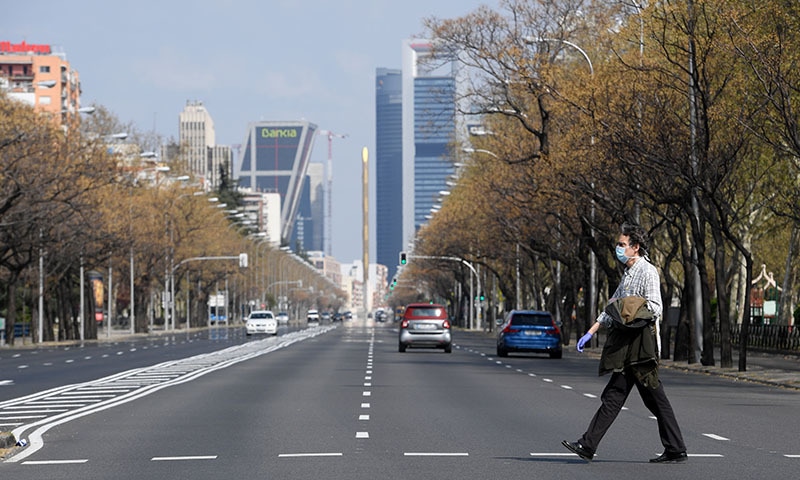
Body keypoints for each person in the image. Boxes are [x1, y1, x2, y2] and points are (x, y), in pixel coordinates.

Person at [562, 222, 687, 463]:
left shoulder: (647, 271)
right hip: (628, 349)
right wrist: (590, 332)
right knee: (621, 395)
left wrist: (628, 310)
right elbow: (612, 309)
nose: (617, 249)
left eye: (622, 245)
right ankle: (674, 448)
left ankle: (675, 447)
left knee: (647, 398)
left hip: (642, 347)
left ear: (635, 247)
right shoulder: (628, 274)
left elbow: (655, 307)